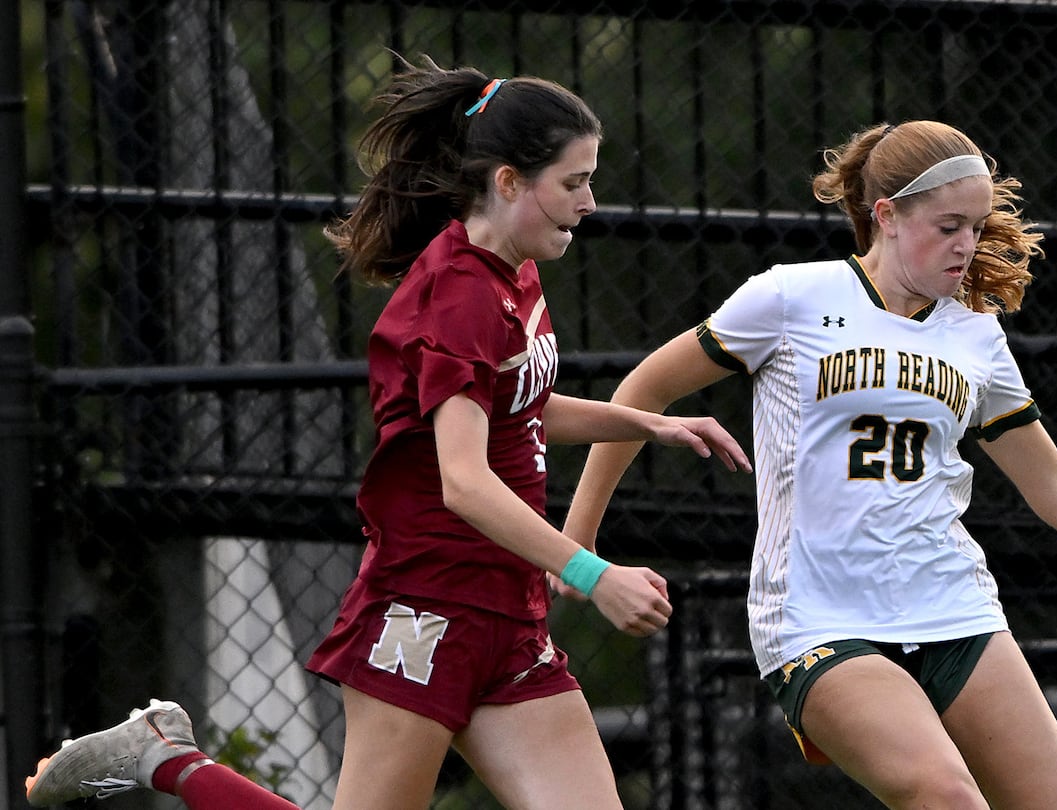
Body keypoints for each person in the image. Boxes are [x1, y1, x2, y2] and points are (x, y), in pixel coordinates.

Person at [25, 55, 750, 810]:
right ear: (507, 183)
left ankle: (163, 756)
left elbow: (518, 406)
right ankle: (165, 758)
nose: (591, 201)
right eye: (573, 182)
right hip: (427, 608)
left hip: (508, 611)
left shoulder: (514, 271)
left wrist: (648, 422)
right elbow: (463, 481)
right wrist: (593, 574)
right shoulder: (462, 294)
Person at [561, 120, 1057, 810]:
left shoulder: (974, 334)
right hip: (819, 620)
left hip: (954, 609)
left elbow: (1052, 484)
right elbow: (643, 391)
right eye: (948, 225)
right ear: (887, 216)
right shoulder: (792, 299)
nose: (967, 244)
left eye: (977, 224)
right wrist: (580, 541)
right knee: (946, 796)